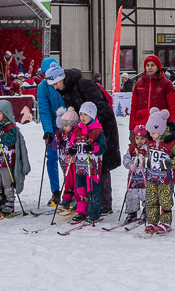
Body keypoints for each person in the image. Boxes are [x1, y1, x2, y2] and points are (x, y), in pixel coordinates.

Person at [46, 64, 122, 214]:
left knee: (102, 164)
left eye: (56, 84)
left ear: (61, 78)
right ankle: (86, 201)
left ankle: (105, 204)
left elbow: (100, 107)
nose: (55, 88)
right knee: (85, 165)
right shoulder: (65, 89)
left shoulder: (83, 84)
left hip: (102, 128)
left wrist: (92, 130)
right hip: (84, 129)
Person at [143, 109, 175, 234]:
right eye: (149, 132)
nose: (151, 135)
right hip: (152, 176)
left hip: (166, 177)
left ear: (161, 129)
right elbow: (147, 154)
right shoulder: (150, 140)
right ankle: (152, 220)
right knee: (151, 199)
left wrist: (170, 164)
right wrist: (146, 161)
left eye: (153, 132)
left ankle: (165, 221)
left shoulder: (172, 142)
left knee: (165, 199)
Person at [35, 57, 65, 207]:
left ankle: (72, 190)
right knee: (52, 157)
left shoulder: (64, 81)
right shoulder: (42, 87)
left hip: (68, 126)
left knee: (68, 158)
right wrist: (47, 130)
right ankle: (56, 191)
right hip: (53, 127)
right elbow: (44, 110)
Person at [129, 55, 175, 135]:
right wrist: (131, 128)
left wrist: (172, 126)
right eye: (147, 65)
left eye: (152, 65)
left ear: (158, 67)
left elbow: (173, 107)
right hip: (141, 126)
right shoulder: (139, 84)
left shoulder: (166, 84)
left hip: (159, 126)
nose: (150, 68)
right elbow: (133, 107)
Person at [122, 126, 149, 224]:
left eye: (142, 138)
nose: (139, 141)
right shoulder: (131, 148)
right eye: (137, 138)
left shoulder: (148, 149)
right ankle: (132, 212)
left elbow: (152, 160)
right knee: (132, 195)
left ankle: (147, 211)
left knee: (145, 194)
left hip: (144, 178)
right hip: (133, 178)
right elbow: (125, 159)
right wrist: (130, 164)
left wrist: (145, 163)